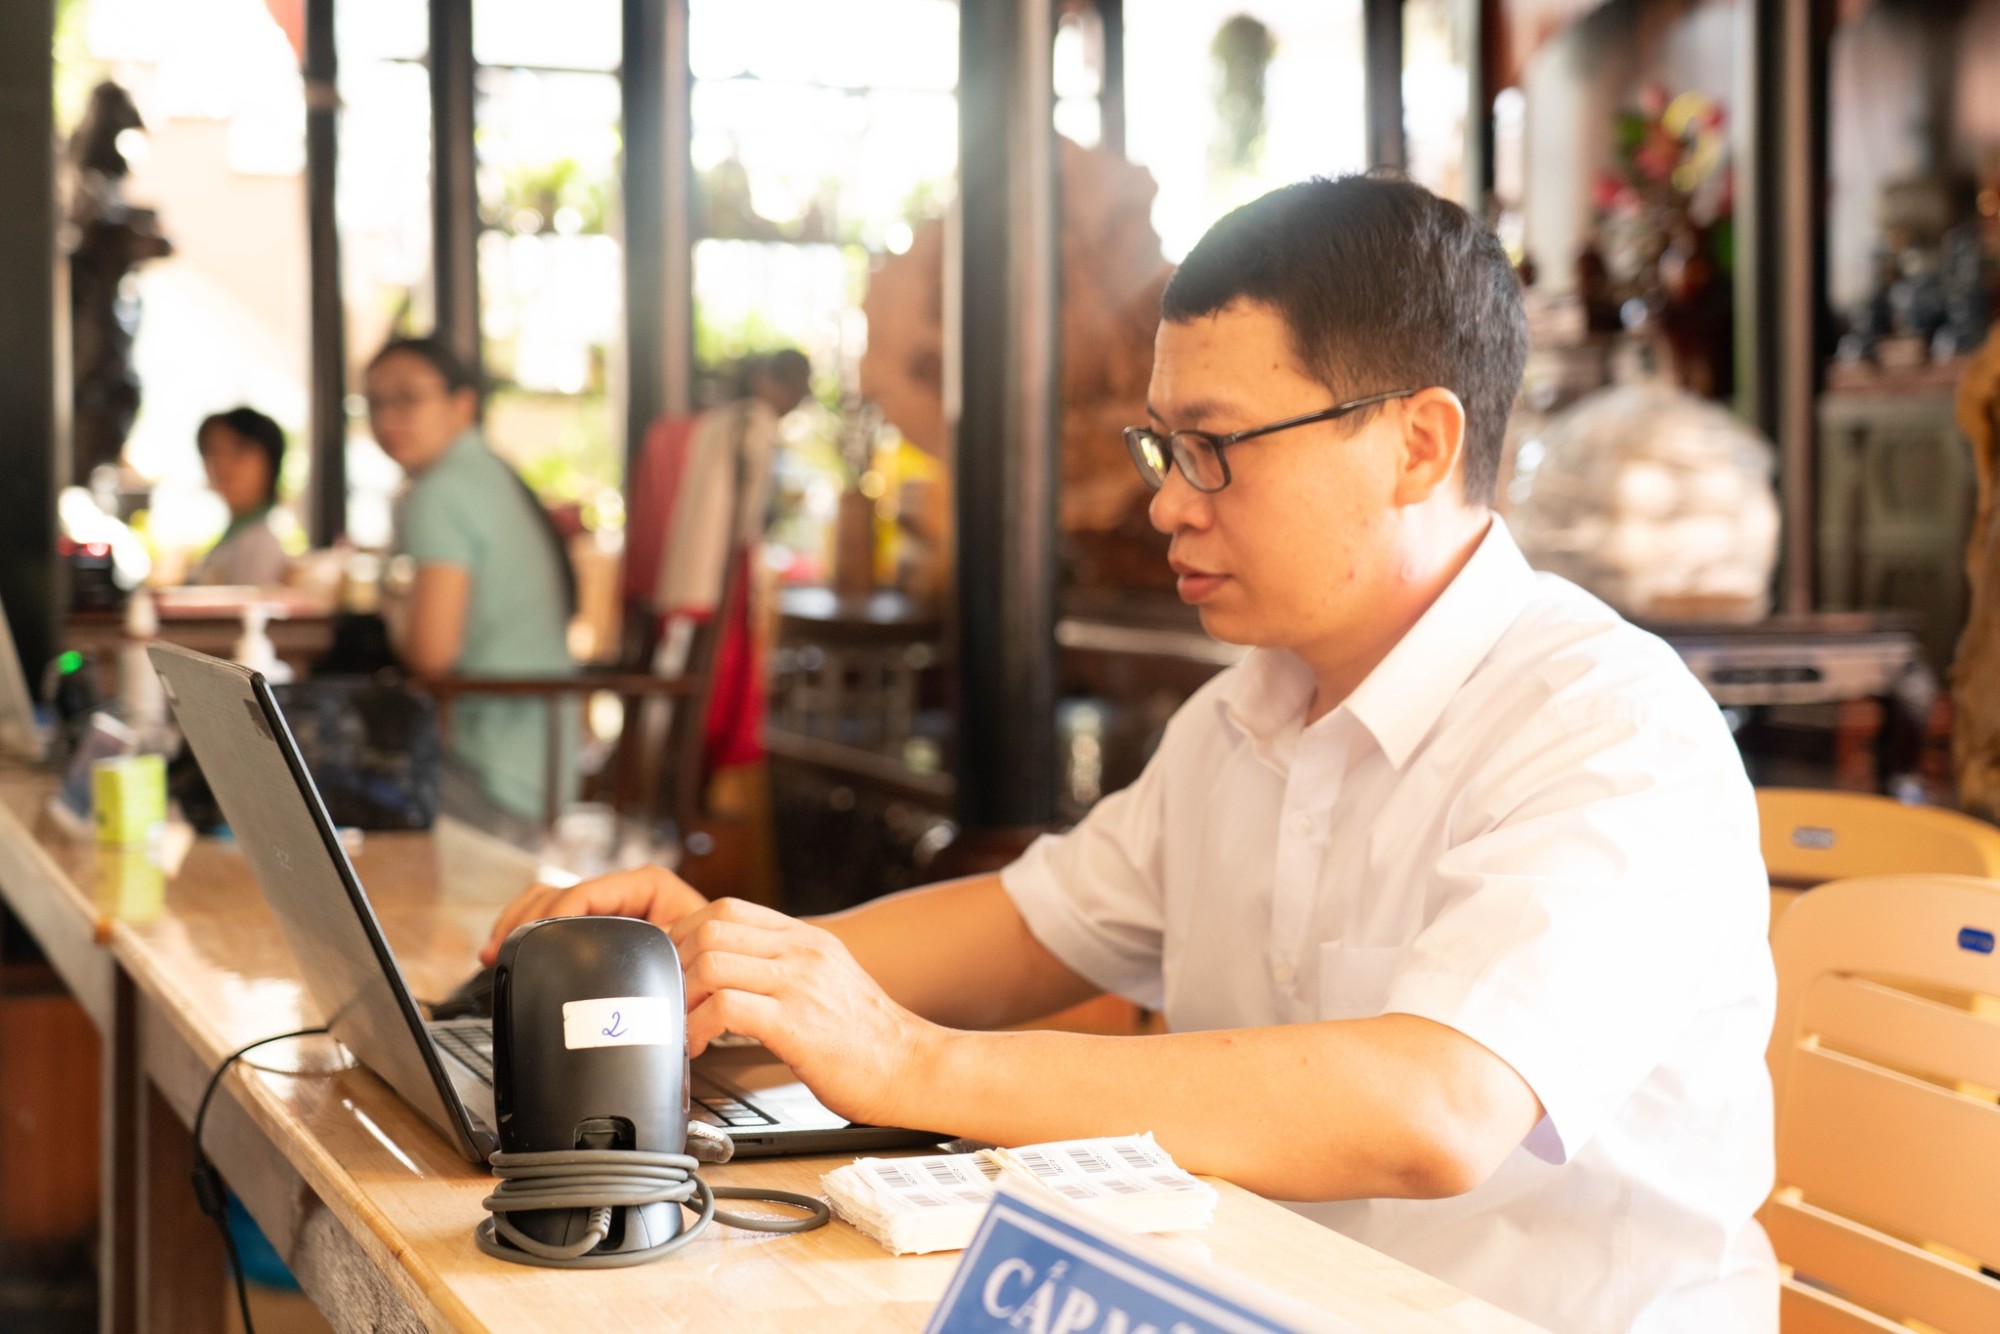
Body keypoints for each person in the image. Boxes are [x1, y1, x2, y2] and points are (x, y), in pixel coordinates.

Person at [480, 176, 1777, 1332]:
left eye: (1214, 448)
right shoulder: (1244, 717)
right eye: (1163, 446)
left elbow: (1433, 1108)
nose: (1164, 500)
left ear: (1416, 444)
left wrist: (912, 1061)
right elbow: (1020, 929)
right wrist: (719, 966)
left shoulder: (1606, 725)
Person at [368, 336, 576, 831]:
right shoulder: (489, 472)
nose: (387, 418)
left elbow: (431, 655)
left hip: (488, 779)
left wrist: (391, 601)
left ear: (462, 404)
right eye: (375, 403)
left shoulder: (440, 491)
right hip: (543, 767)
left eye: (407, 398)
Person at [189, 406, 290, 586]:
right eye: (213, 451)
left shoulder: (259, 545)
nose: (222, 464)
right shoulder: (236, 536)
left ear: (270, 462)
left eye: (239, 450)